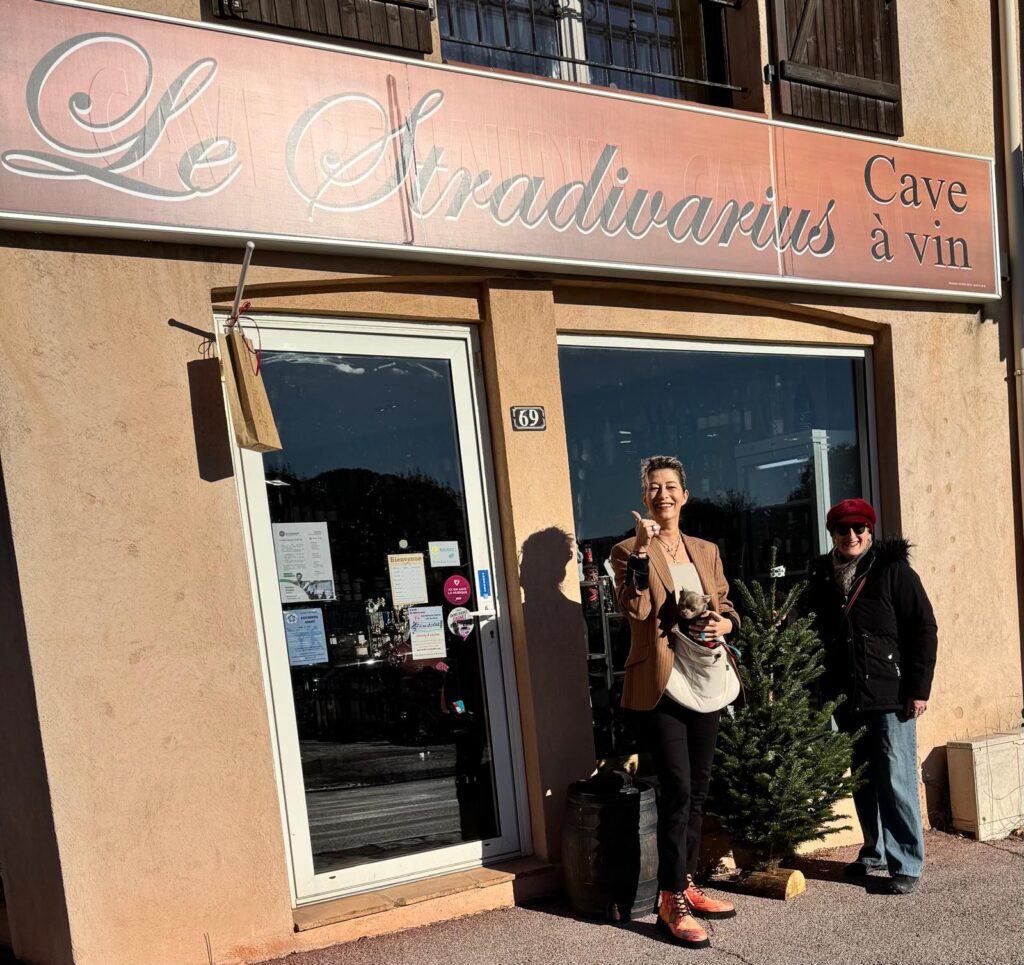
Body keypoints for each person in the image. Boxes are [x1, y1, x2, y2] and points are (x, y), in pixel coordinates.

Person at [610, 455, 740, 949]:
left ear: (684, 495)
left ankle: (684, 882)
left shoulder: (705, 549)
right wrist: (643, 553)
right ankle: (669, 900)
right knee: (678, 788)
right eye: (653, 487)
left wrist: (726, 623)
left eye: (670, 487)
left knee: (699, 789)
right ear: (644, 497)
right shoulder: (627, 550)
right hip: (662, 681)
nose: (662, 494)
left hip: (706, 676)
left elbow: (725, 602)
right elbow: (637, 607)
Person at [805, 498, 937, 895]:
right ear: (832, 534)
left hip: (890, 692)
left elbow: (924, 629)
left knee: (896, 777)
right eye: (843, 529)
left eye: (859, 528)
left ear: (870, 531)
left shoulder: (893, 571)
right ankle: (874, 850)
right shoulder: (822, 576)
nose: (851, 535)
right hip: (846, 694)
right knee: (863, 778)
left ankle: (907, 862)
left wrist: (918, 689)